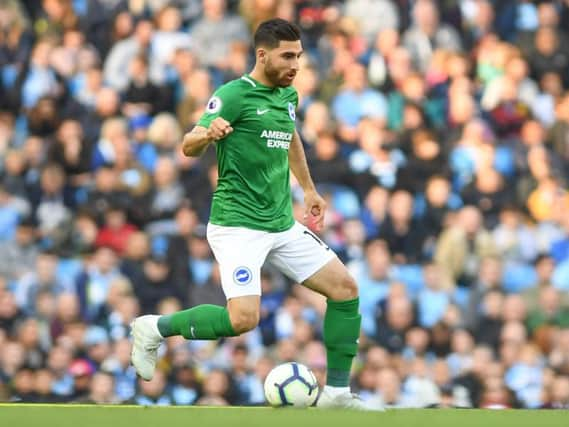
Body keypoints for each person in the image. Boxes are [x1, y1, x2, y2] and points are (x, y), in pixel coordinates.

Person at [130, 18, 376, 410]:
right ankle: (153, 328)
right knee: (243, 319)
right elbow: (187, 143)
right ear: (262, 55)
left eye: (299, 56)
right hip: (237, 226)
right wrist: (206, 135)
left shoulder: (288, 96)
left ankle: (337, 396)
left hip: (280, 223)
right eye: (288, 56)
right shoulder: (233, 94)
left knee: (345, 289)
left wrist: (308, 188)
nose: (296, 64)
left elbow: (290, 137)